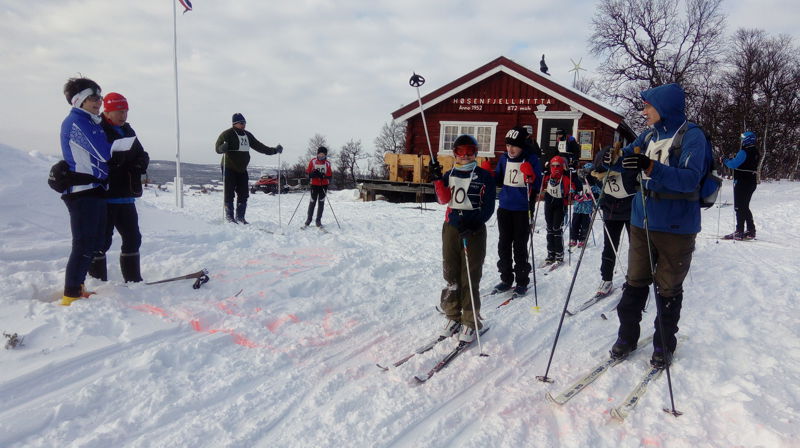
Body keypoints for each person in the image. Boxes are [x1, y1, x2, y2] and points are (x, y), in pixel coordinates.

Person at [606, 83, 711, 368]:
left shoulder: (692, 136)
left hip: (677, 225)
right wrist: (610, 160)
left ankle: (664, 345)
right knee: (635, 282)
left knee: (668, 288)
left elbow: (690, 178)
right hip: (642, 219)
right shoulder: (648, 135)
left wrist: (651, 167)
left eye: (648, 106)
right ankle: (626, 338)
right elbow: (625, 158)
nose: (644, 111)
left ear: (663, 108)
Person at [430, 135, 496, 343]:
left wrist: (475, 223)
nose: (465, 156)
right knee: (451, 272)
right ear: (454, 154)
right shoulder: (450, 173)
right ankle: (452, 315)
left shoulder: (484, 176)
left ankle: (470, 319)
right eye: (460, 151)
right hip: (451, 227)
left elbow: (488, 207)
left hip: (473, 230)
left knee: (469, 275)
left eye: (470, 152)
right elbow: (443, 200)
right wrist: (436, 180)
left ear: (476, 153)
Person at [58, 77, 115, 306]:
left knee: (95, 241)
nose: (98, 102)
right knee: (83, 243)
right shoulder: (76, 121)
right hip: (81, 191)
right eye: (93, 98)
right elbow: (104, 153)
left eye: (99, 97)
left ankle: (79, 286)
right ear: (79, 100)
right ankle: (70, 293)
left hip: (95, 189)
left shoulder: (91, 121)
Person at [87, 92, 150, 283]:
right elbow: (95, 159)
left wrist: (139, 165)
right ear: (108, 111)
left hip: (125, 196)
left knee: (133, 238)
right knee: (101, 242)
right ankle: (97, 281)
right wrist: (115, 162)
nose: (123, 115)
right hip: (105, 196)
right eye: (119, 111)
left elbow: (142, 154)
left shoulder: (128, 130)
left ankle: (133, 279)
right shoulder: (98, 129)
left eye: (126, 111)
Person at [492, 126, 542, 295]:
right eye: (508, 145)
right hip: (505, 206)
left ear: (522, 146)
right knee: (503, 244)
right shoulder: (504, 158)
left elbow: (537, 185)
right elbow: (499, 179)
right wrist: (489, 174)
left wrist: (531, 176)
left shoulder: (532, 159)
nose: (510, 149)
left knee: (520, 246)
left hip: (522, 208)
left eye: (514, 146)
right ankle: (506, 278)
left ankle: (521, 280)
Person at [215, 113, 282, 224]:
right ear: (234, 123)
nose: (244, 125)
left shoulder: (247, 135)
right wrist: (222, 148)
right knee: (229, 192)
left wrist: (274, 150)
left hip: (242, 169)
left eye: (245, 123)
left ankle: (240, 217)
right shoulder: (227, 134)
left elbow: (260, 146)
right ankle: (230, 217)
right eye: (241, 123)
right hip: (229, 167)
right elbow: (217, 148)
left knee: (243, 193)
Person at [591, 143, 638, 296]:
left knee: (636, 247)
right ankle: (606, 279)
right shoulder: (599, 172)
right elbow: (594, 180)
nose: (602, 174)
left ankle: (635, 279)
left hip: (631, 212)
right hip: (611, 212)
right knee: (609, 246)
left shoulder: (626, 169)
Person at [722, 131, 759, 240]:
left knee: (739, 207)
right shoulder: (755, 151)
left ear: (747, 140)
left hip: (742, 182)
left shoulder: (744, 151)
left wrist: (724, 160)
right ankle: (751, 230)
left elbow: (733, 164)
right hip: (751, 182)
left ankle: (739, 231)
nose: (742, 140)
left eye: (743, 138)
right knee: (745, 206)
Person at [540, 155, 573, 265]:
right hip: (549, 203)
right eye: (553, 166)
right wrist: (542, 172)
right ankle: (551, 253)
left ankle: (559, 253)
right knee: (549, 228)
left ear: (562, 166)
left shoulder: (565, 178)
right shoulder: (548, 176)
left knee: (556, 228)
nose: (555, 168)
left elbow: (573, 187)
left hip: (560, 204)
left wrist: (574, 177)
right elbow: (539, 183)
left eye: (557, 166)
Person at [568, 163, 601, 248]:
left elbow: (599, 192)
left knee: (585, 224)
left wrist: (591, 196)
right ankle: (573, 238)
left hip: (588, 207)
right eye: (586, 171)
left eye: (589, 172)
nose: (587, 174)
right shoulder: (578, 180)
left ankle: (583, 239)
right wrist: (575, 195)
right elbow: (572, 189)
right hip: (577, 206)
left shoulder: (594, 181)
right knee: (575, 223)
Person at [305, 146, 333, 227]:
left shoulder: (327, 163)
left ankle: (318, 220)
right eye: (320, 154)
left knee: (321, 203)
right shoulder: (313, 161)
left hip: (323, 185)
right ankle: (309, 219)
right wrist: (311, 175)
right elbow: (307, 173)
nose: (321, 156)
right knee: (312, 201)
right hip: (314, 185)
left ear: (325, 155)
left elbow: (330, 175)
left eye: (323, 155)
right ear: (317, 154)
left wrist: (323, 176)